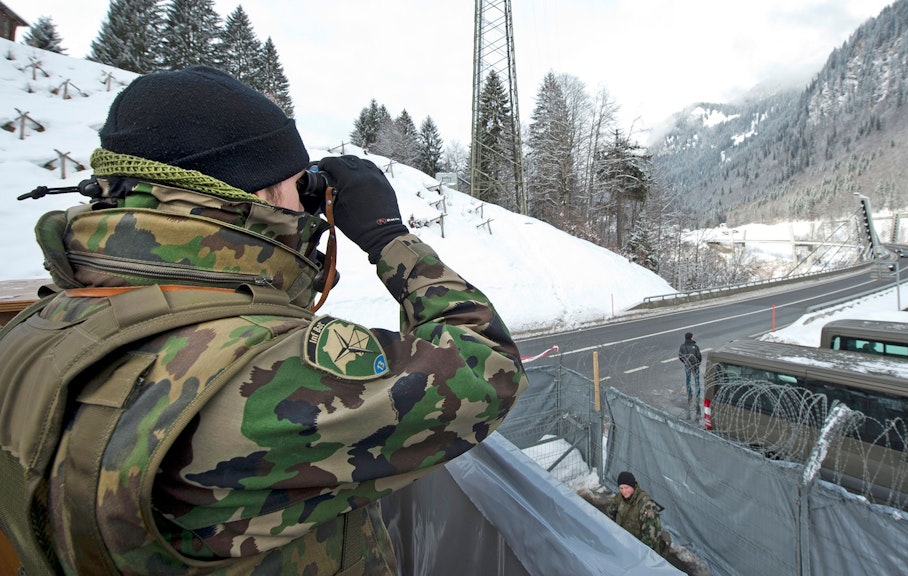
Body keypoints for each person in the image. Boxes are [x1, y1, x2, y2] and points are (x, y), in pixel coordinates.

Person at [0, 66, 527, 575]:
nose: (306, 205)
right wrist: (389, 237)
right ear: (255, 195)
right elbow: (487, 367)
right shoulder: (257, 372)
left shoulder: (38, 327)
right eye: (298, 186)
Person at [607, 471, 664, 553]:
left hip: (638, 551)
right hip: (622, 543)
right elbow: (609, 518)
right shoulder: (619, 498)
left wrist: (635, 553)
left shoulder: (646, 505)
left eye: (626, 488)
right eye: (621, 488)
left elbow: (650, 538)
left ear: (633, 486)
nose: (624, 491)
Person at [678, 331, 702, 402]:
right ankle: (697, 395)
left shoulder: (682, 346)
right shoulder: (695, 346)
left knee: (688, 379)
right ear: (691, 337)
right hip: (695, 365)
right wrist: (698, 363)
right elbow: (699, 356)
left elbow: (680, 356)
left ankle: (689, 394)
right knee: (696, 380)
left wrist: (685, 362)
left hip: (687, 365)